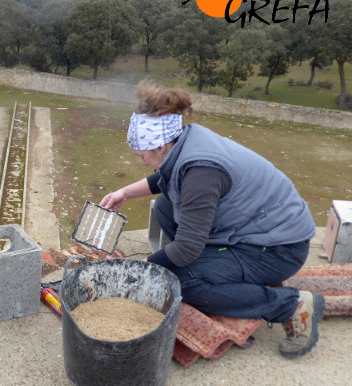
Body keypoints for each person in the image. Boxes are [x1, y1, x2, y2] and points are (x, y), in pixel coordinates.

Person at [100, 83, 323, 359]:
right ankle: (214, 267)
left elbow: (186, 248)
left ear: (160, 145)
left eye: (142, 155)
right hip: (259, 227)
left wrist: (144, 267)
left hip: (278, 250)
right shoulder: (185, 140)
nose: (143, 162)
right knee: (165, 207)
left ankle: (291, 306)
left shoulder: (201, 170)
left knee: (181, 282)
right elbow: (167, 175)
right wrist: (124, 193)